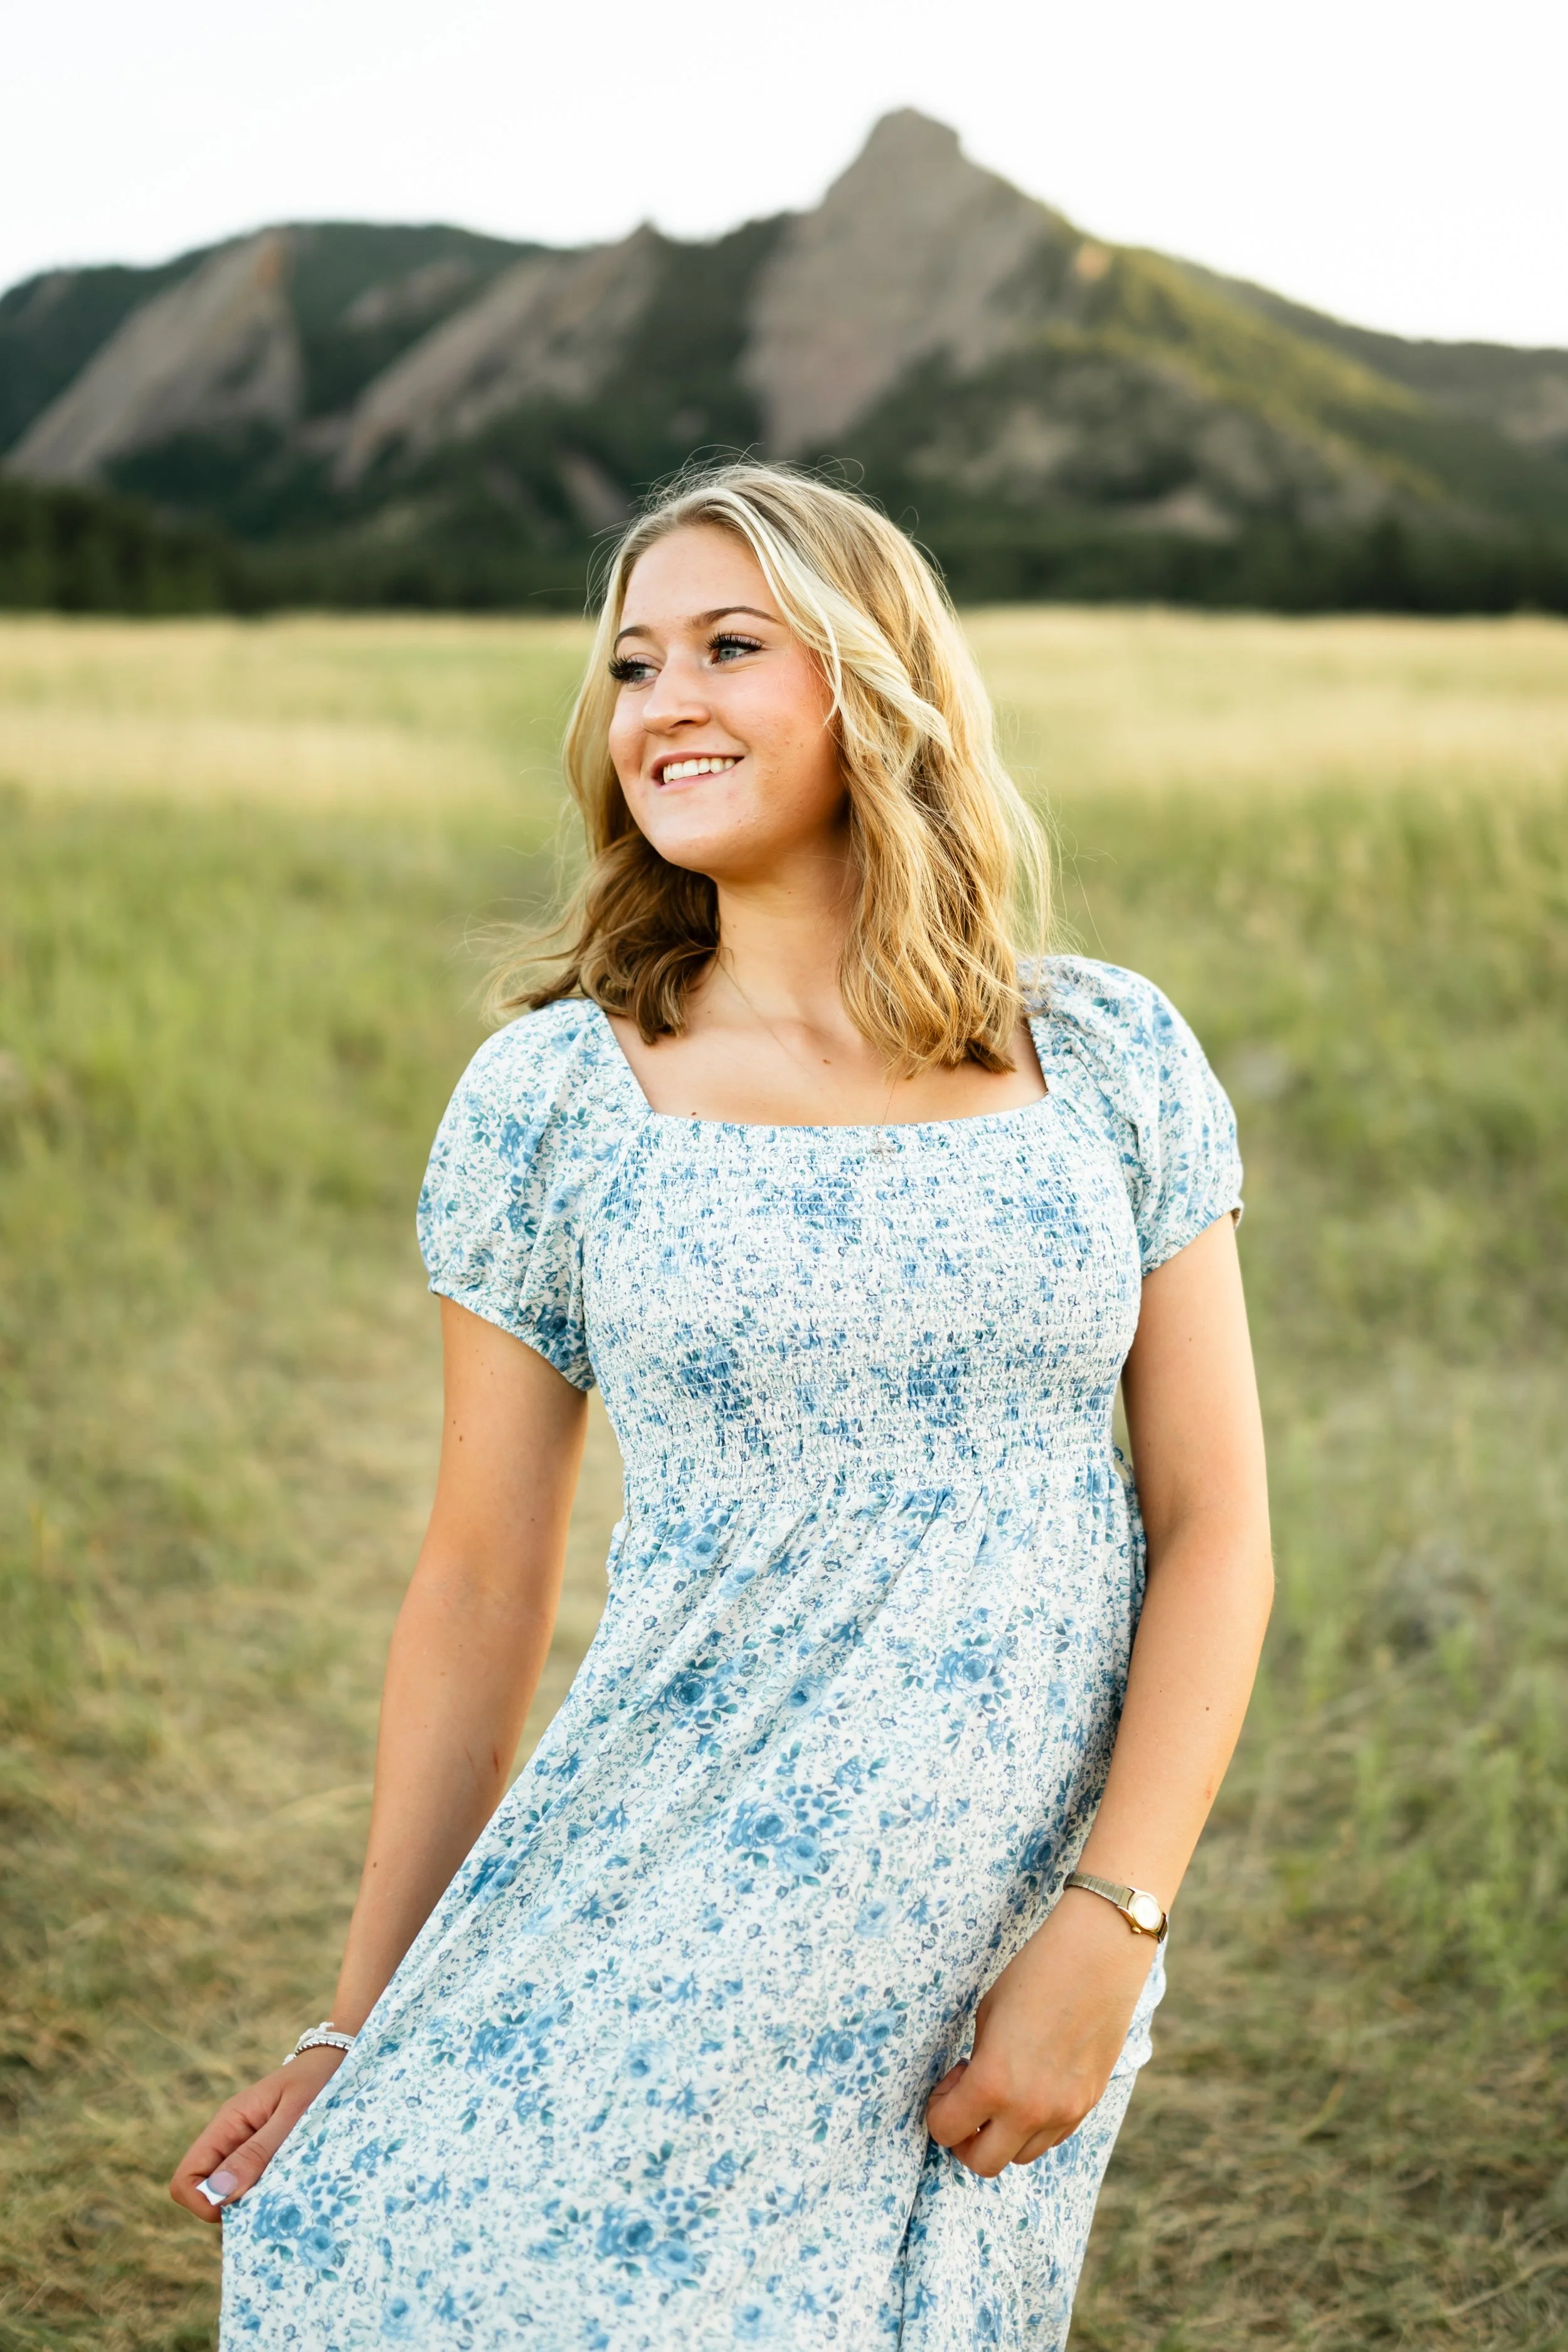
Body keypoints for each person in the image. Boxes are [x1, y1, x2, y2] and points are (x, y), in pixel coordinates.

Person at [172, 462, 1273, 2348]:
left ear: (873, 680)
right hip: (659, 1877)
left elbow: (1218, 1522)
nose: (661, 702)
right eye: (631, 664)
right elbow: (477, 1580)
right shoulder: (554, 1100)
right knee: (395, 2265)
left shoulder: (1105, 1055)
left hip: (996, 1921)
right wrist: (357, 2023)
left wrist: (1116, 1918)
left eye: (728, 646)